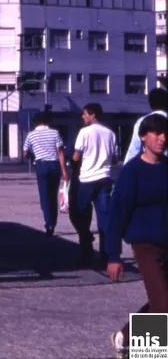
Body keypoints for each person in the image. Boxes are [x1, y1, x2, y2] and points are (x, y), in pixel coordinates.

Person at [104, 113, 168, 358]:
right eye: (156, 134)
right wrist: (113, 255)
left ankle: (125, 335)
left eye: (165, 134)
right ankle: (148, 353)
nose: (162, 139)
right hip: (145, 244)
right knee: (163, 305)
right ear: (144, 137)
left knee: (161, 299)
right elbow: (117, 213)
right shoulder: (132, 172)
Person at [71, 102, 118, 266]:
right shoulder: (110, 133)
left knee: (81, 215)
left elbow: (76, 156)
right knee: (104, 218)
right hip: (104, 179)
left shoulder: (84, 132)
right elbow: (115, 158)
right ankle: (106, 254)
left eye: (85, 114)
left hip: (86, 180)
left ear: (92, 115)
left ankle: (86, 251)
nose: (82, 116)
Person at [23, 112, 69, 236]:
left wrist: (33, 155)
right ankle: (53, 222)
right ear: (46, 121)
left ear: (36, 122)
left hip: (41, 166)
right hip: (54, 166)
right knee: (53, 196)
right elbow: (60, 152)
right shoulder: (55, 133)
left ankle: (49, 223)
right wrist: (64, 171)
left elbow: (25, 153)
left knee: (44, 196)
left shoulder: (31, 135)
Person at [123, 87, 168, 163]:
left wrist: (127, 168)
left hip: (150, 166)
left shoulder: (143, 121)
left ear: (150, 104)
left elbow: (134, 149)